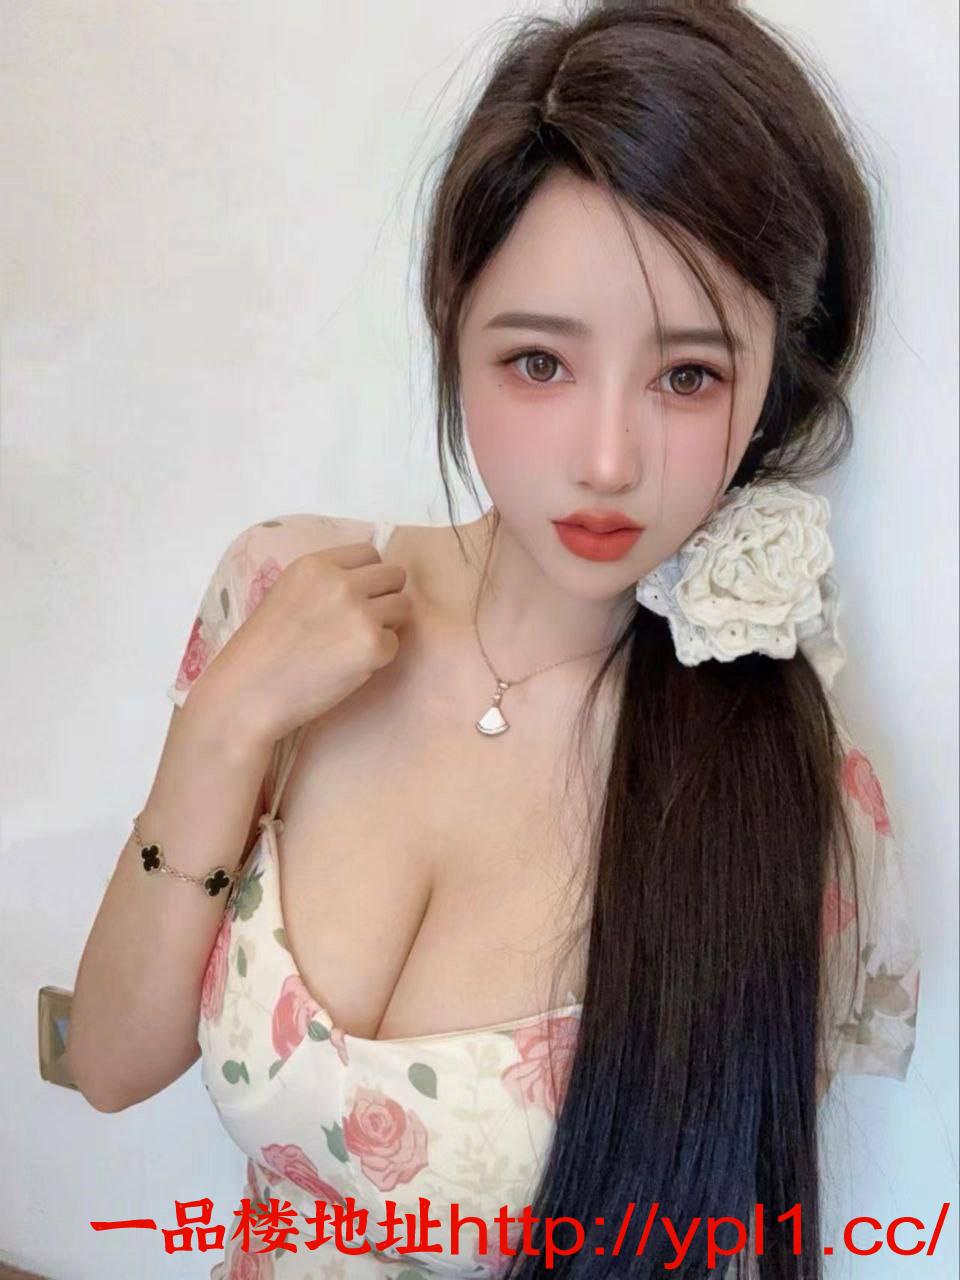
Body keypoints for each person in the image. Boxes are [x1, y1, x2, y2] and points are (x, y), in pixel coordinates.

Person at [66, 2, 922, 1277]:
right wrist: (226, 725)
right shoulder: (282, 593)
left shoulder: (793, 785)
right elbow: (110, 1064)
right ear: (453, 325)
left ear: (767, 388)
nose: (607, 460)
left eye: (687, 375)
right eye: (539, 362)